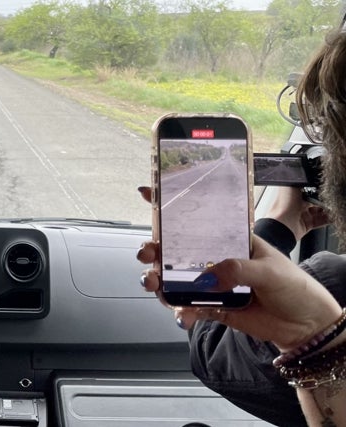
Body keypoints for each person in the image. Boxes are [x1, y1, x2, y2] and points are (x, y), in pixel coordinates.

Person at [138, 30, 346, 426]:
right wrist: (309, 333)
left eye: (328, 143)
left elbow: (216, 352)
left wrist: (279, 226)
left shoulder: (333, 283)